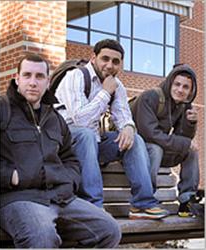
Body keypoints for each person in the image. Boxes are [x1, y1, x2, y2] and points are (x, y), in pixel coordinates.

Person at [0, 53, 121, 248]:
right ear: (17, 78)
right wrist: (10, 176)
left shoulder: (55, 118)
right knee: (42, 237)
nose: (32, 82)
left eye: (39, 77)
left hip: (60, 198)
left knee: (109, 230)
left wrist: (69, 181)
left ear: (48, 81)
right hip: (19, 198)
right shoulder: (1, 109)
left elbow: (70, 159)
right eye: (27, 75)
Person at [53, 39, 168, 220]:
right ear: (94, 58)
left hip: (94, 145)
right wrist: (105, 93)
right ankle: (94, 206)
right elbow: (80, 120)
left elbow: (123, 116)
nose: (110, 65)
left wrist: (129, 128)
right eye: (104, 59)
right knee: (86, 134)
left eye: (115, 61)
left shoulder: (117, 85)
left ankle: (142, 204)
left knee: (135, 139)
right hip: (66, 143)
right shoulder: (75, 76)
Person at [130, 63, 200, 217]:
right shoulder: (150, 97)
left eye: (186, 87)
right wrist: (184, 143)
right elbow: (150, 134)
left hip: (158, 153)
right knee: (155, 148)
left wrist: (190, 123)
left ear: (191, 91)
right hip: (134, 152)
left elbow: (183, 139)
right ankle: (144, 201)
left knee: (191, 150)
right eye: (177, 84)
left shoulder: (182, 105)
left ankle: (187, 201)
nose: (180, 90)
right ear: (170, 83)